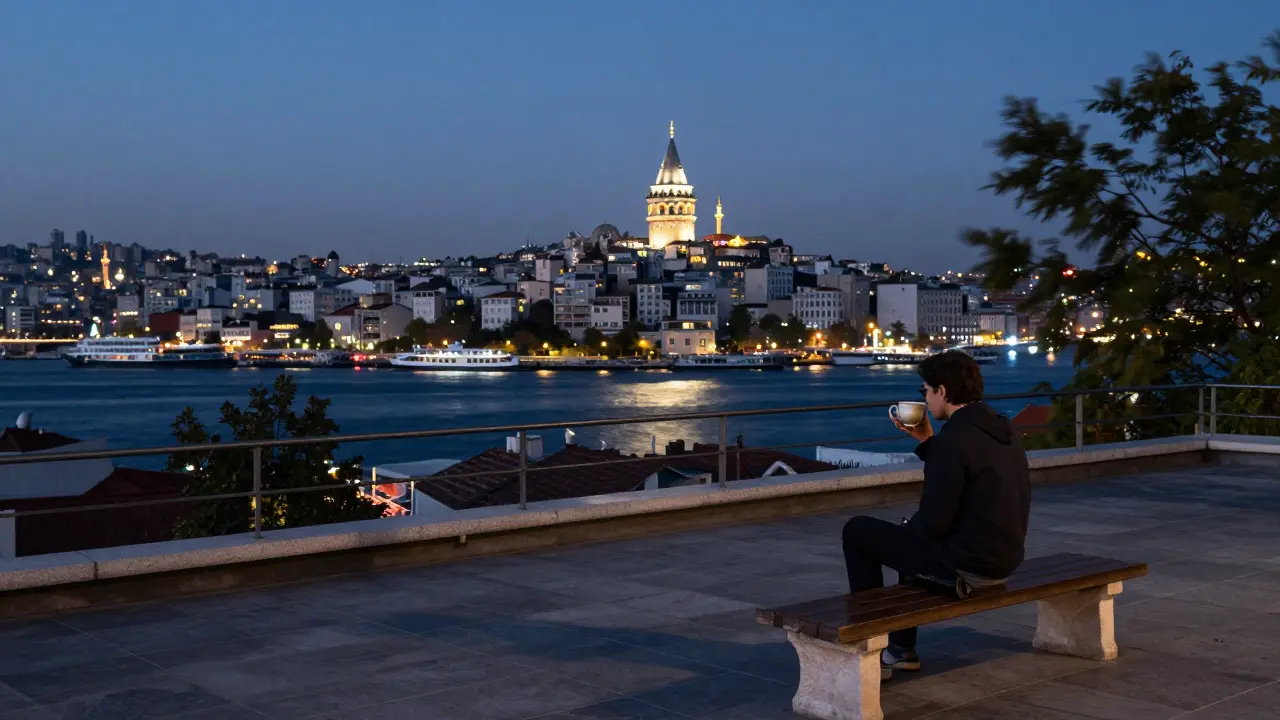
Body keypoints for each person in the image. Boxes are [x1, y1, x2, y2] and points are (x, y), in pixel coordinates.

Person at [842, 350, 1030, 680]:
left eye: (926, 391)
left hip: (970, 569)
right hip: (1005, 559)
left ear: (942, 391)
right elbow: (965, 477)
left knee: (858, 531)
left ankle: (869, 644)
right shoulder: (1002, 429)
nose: (925, 400)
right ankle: (901, 651)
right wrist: (929, 441)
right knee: (908, 543)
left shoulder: (953, 441)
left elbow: (933, 523)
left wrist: (909, 530)